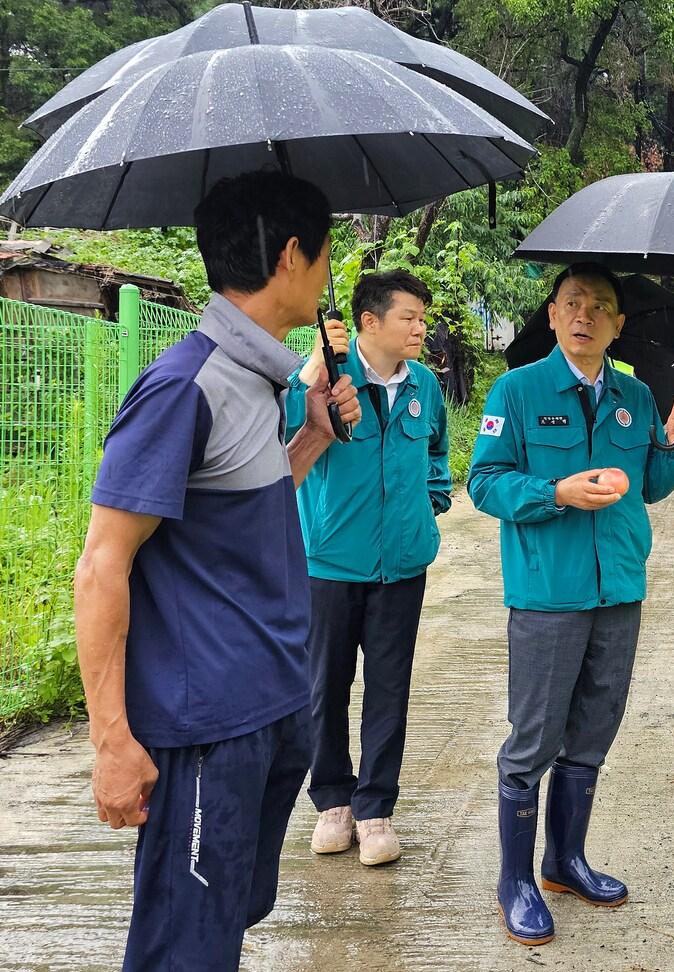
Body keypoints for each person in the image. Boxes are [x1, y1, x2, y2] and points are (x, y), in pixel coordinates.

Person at [72, 170, 361, 971]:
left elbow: (247, 510)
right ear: (292, 255)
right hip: (206, 730)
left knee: (228, 919)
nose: (331, 275)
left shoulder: (254, 379)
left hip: (269, 709)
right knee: (185, 947)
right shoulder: (182, 387)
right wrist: (111, 742)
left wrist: (312, 437)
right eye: (328, 256)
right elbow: (101, 566)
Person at [468, 262, 674, 946]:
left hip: (619, 589)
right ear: (553, 311)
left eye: (600, 306)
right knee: (533, 740)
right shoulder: (517, 390)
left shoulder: (637, 394)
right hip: (547, 595)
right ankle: (515, 881)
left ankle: (564, 861)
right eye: (573, 302)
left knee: (593, 733)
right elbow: (483, 482)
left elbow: (650, 484)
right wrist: (555, 493)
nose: (585, 315)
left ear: (618, 324)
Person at [287, 270, 451, 867]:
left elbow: (436, 450)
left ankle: (376, 807)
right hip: (330, 562)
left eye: (422, 318)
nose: (419, 328)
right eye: (409, 316)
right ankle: (332, 800)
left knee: (390, 687)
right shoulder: (321, 377)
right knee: (325, 685)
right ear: (369, 322)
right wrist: (314, 377)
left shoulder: (425, 386)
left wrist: (430, 502)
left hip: (403, 564)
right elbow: (282, 440)